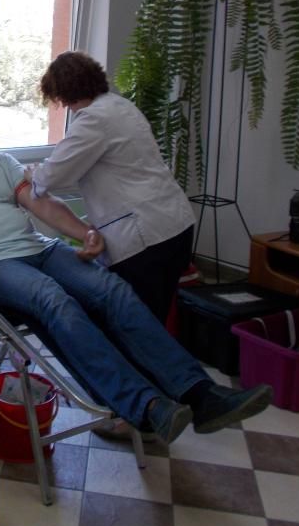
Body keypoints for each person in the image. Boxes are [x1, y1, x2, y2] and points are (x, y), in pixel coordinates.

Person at [0, 95, 271, 445]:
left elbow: (43, 204)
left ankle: (202, 394)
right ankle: (146, 405)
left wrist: (86, 233)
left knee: (112, 290)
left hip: (41, 249)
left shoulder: (1, 164)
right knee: (54, 299)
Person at [30, 51, 195, 323]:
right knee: (156, 318)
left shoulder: (93, 119)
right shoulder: (121, 106)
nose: (65, 106)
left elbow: (51, 177)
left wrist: (33, 173)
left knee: (137, 322)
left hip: (146, 236)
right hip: (175, 224)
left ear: (64, 93)